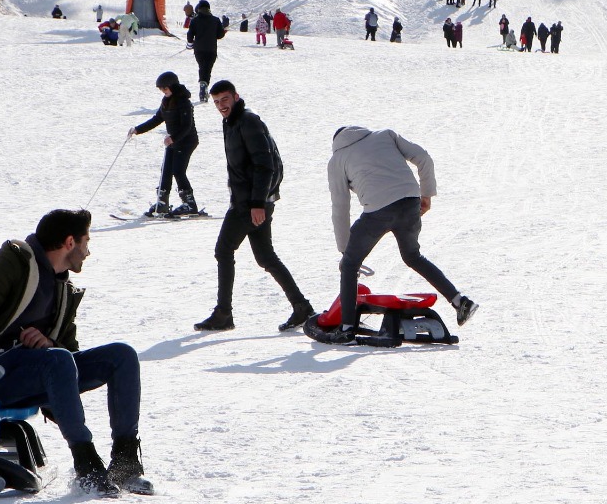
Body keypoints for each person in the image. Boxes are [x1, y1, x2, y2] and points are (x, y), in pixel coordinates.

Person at [0, 209, 145, 496]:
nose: (88, 252)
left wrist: (49, 343)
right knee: (59, 359)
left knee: (122, 356)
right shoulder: (16, 261)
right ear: (69, 242)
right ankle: (86, 462)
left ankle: (125, 464)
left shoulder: (63, 288)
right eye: (86, 242)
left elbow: (68, 352)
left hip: (41, 373)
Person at [321, 126, 478, 344]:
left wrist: (345, 248)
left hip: (377, 211)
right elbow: (424, 157)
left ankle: (347, 329)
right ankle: (460, 301)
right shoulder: (385, 135)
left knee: (349, 265)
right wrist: (427, 194)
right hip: (410, 201)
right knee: (413, 256)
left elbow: (340, 204)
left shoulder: (337, 159)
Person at [193, 81, 315, 334]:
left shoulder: (248, 121)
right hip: (250, 201)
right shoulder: (231, 122)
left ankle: (223, 314)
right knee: (265, 256)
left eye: (225, 99)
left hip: (250, 204)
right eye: (216, 102)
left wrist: (258, 203)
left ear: (236, 97)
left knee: (223, 250)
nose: (221, 106)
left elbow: (265, 164)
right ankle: (301, 306)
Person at [128, 71, 198, 217]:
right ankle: (162, 202)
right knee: (165, 171)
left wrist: (173, 138)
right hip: (173, 142)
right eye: (161, 89)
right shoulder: (166, 101)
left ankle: (190, 204)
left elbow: (187, 125)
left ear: (172, 86)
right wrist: (137, 129)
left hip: (186, 141)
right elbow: (157, 119)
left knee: (178, 171)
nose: (163, 92)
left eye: (165, 89)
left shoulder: (183, 101)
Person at [186, 1, 229, 102]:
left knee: (202, 67)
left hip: (199, 50)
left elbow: (189, 36)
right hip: (211, 50)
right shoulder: (215, 20)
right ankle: (204, 86)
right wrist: (224, 30)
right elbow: (220, 35)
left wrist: (190, 44)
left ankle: (203, 85)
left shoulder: (195, 20)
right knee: (207, 69)